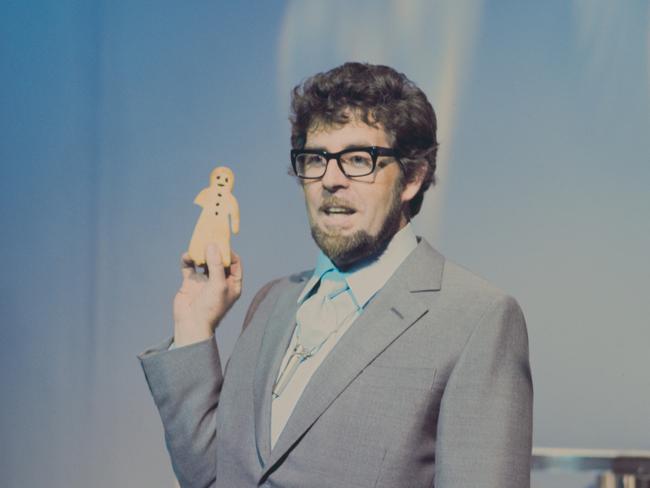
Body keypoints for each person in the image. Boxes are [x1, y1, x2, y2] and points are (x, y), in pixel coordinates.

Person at [139, 62, 533, 488]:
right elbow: (213, 479)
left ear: (412, 178)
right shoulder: (272, 302)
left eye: (358, 160)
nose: (330, 179)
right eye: (315, 159)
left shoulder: (476, 319)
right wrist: (194, 326)